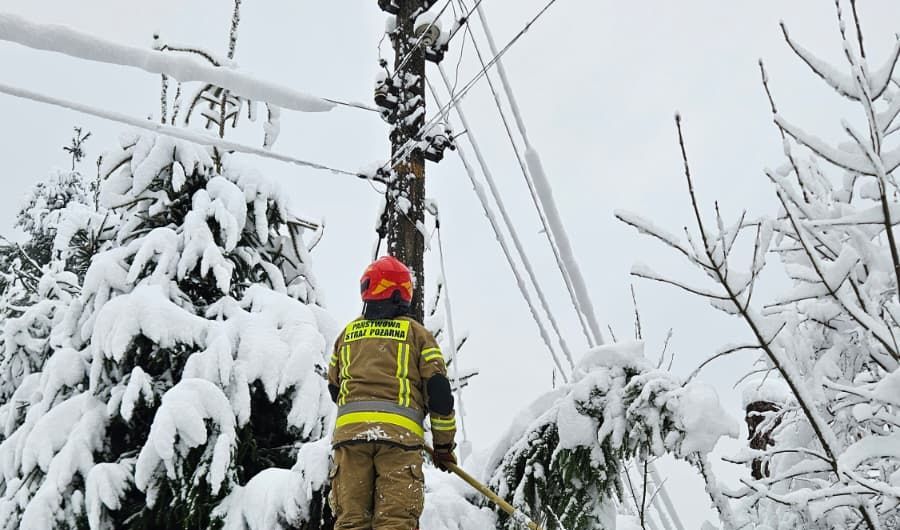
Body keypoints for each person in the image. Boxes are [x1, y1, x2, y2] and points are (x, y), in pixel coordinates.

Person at [327, 256, 457, 530]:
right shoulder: (417, 335)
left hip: (350, 443)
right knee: (395, 523)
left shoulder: (346, 335)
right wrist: (444, 447)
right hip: (399, 445)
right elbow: (439, 394)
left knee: (350, 523)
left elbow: (334, 387)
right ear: (402, 293)